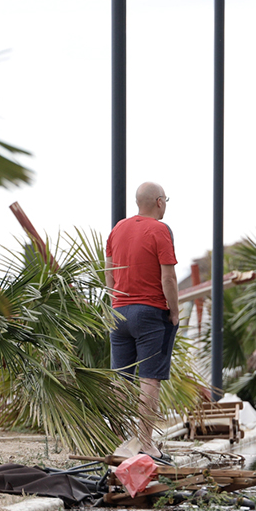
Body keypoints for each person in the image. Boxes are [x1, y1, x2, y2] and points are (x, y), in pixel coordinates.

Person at [106, 182, 179, 461]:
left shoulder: (117, 229)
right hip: (150, 313)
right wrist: (174, 311)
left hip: (119, 313)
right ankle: (146, 443)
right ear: (159, 202)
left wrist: (116, 304)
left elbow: (109, 274)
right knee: (149, 380)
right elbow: (169, 277)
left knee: (120, 380)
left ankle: (117, 441)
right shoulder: (161, 230)